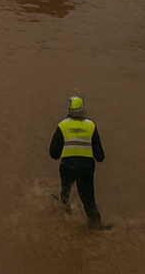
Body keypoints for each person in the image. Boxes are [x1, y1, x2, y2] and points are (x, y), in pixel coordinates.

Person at [48, 95, 109, 230]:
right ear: (84, 110)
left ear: (69, 109)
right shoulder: (91, 126)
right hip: (86, 167)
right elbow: (100, 156)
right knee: (88, 199)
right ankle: (95, 226)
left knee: (65, 192)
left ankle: (63, 219)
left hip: (67, 166)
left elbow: (53, 154)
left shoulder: (62, 125)